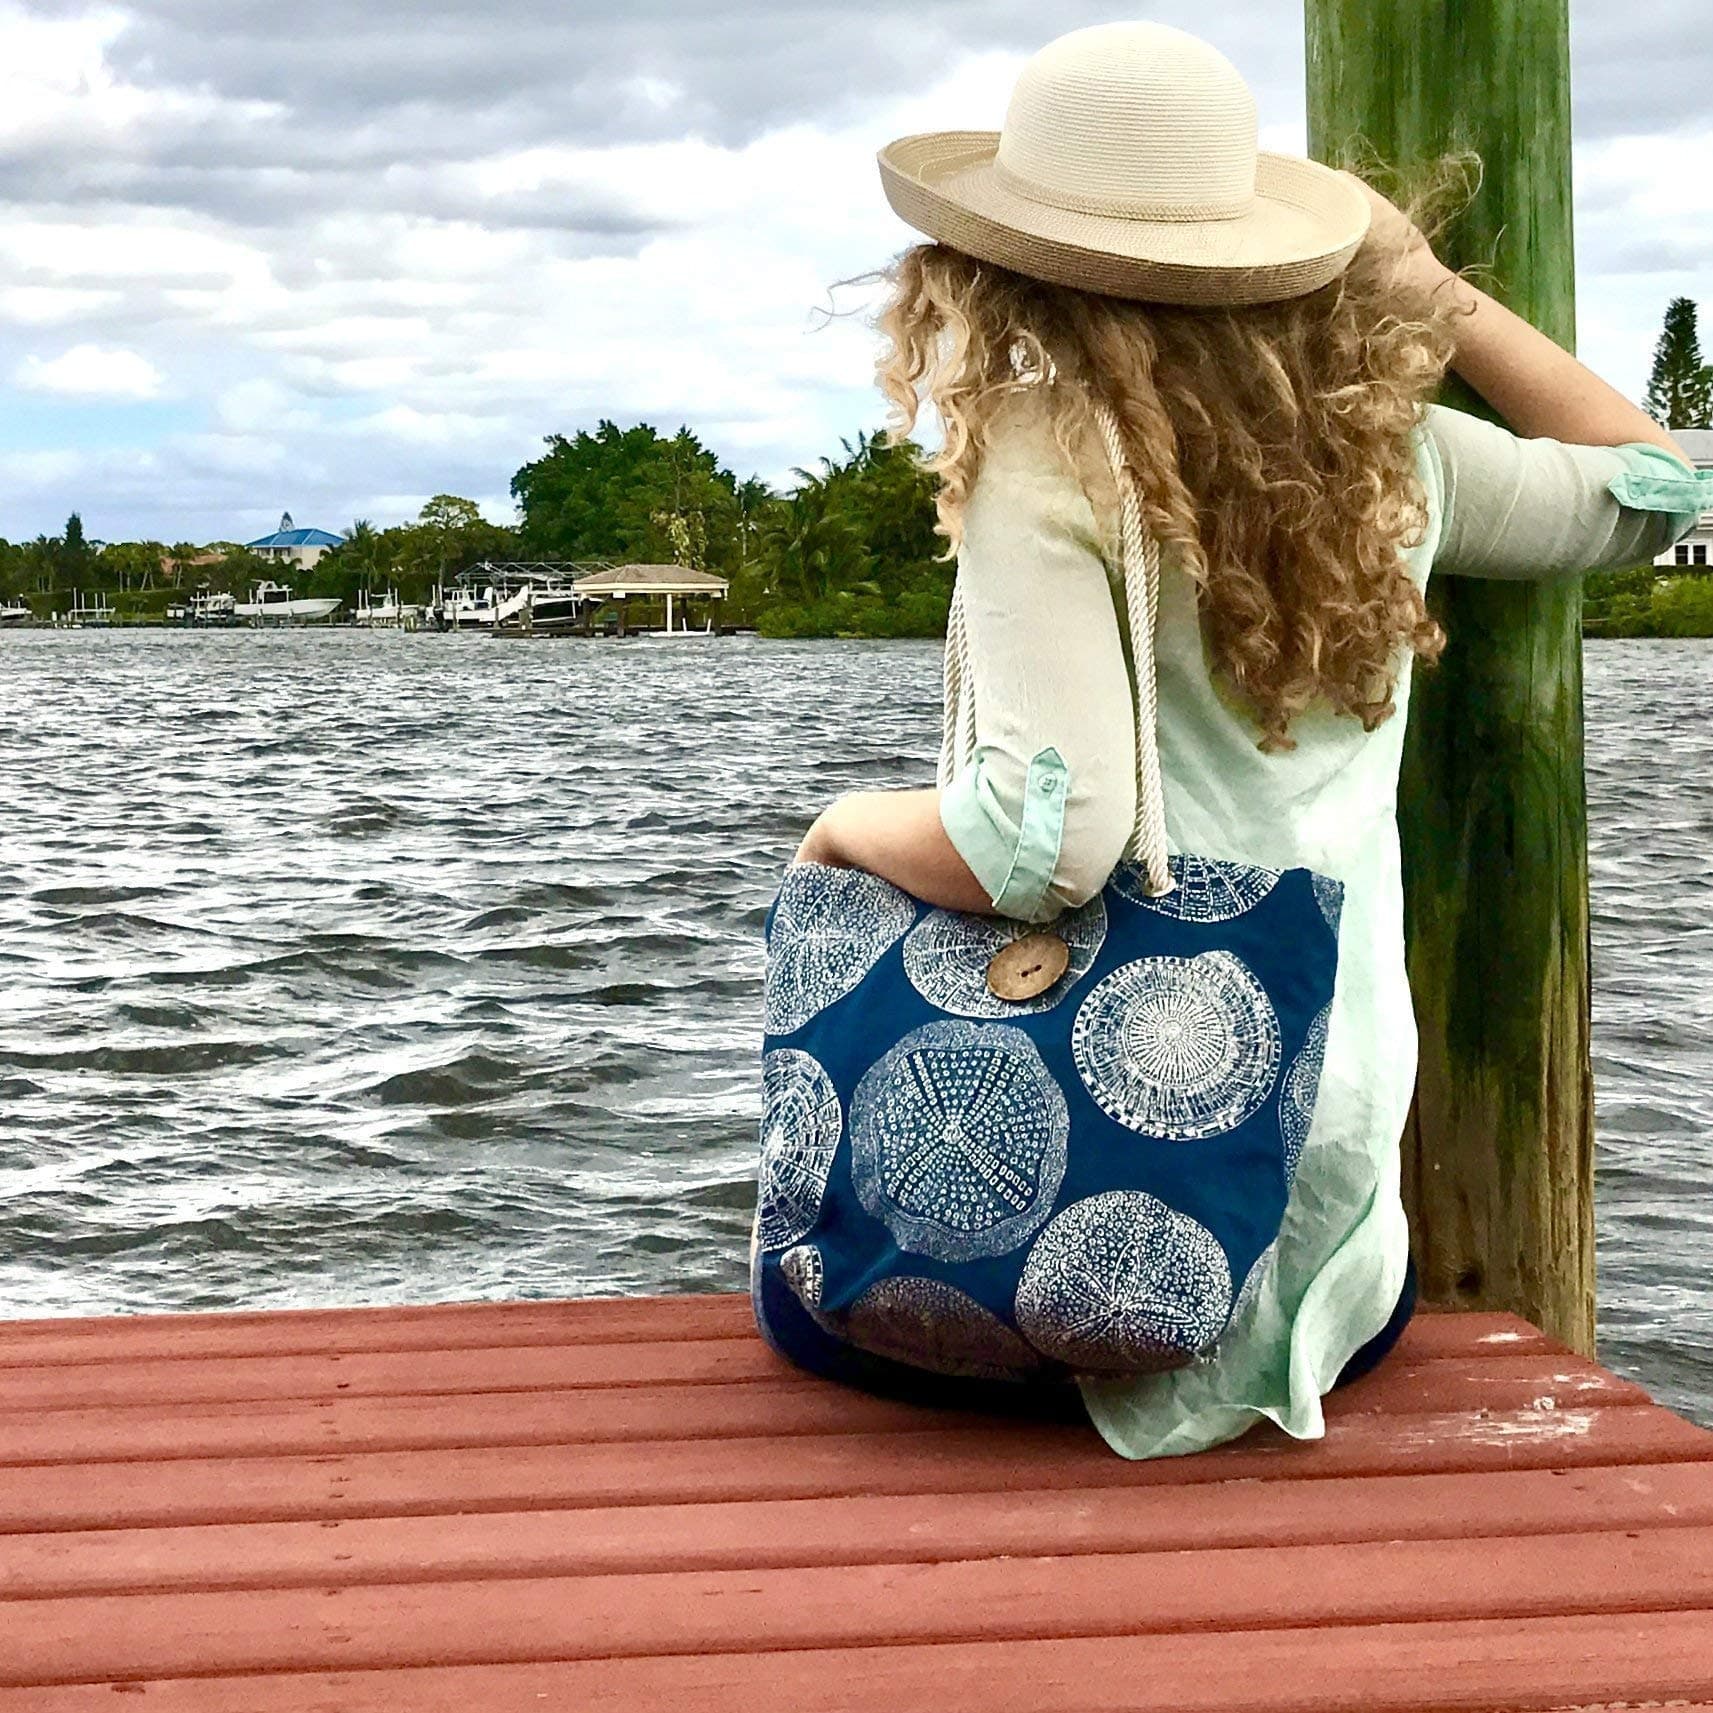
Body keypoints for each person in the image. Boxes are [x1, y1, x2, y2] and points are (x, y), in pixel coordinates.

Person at [771, 20, 1711, 1459]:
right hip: (1334, 1263)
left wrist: (845, 820)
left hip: (1123, 1288)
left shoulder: (1039, 460)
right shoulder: (1388, 457)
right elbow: (1655, 486)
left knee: (806, 1286)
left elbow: (1042, 845)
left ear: (996, 260)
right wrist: (1435, 294)